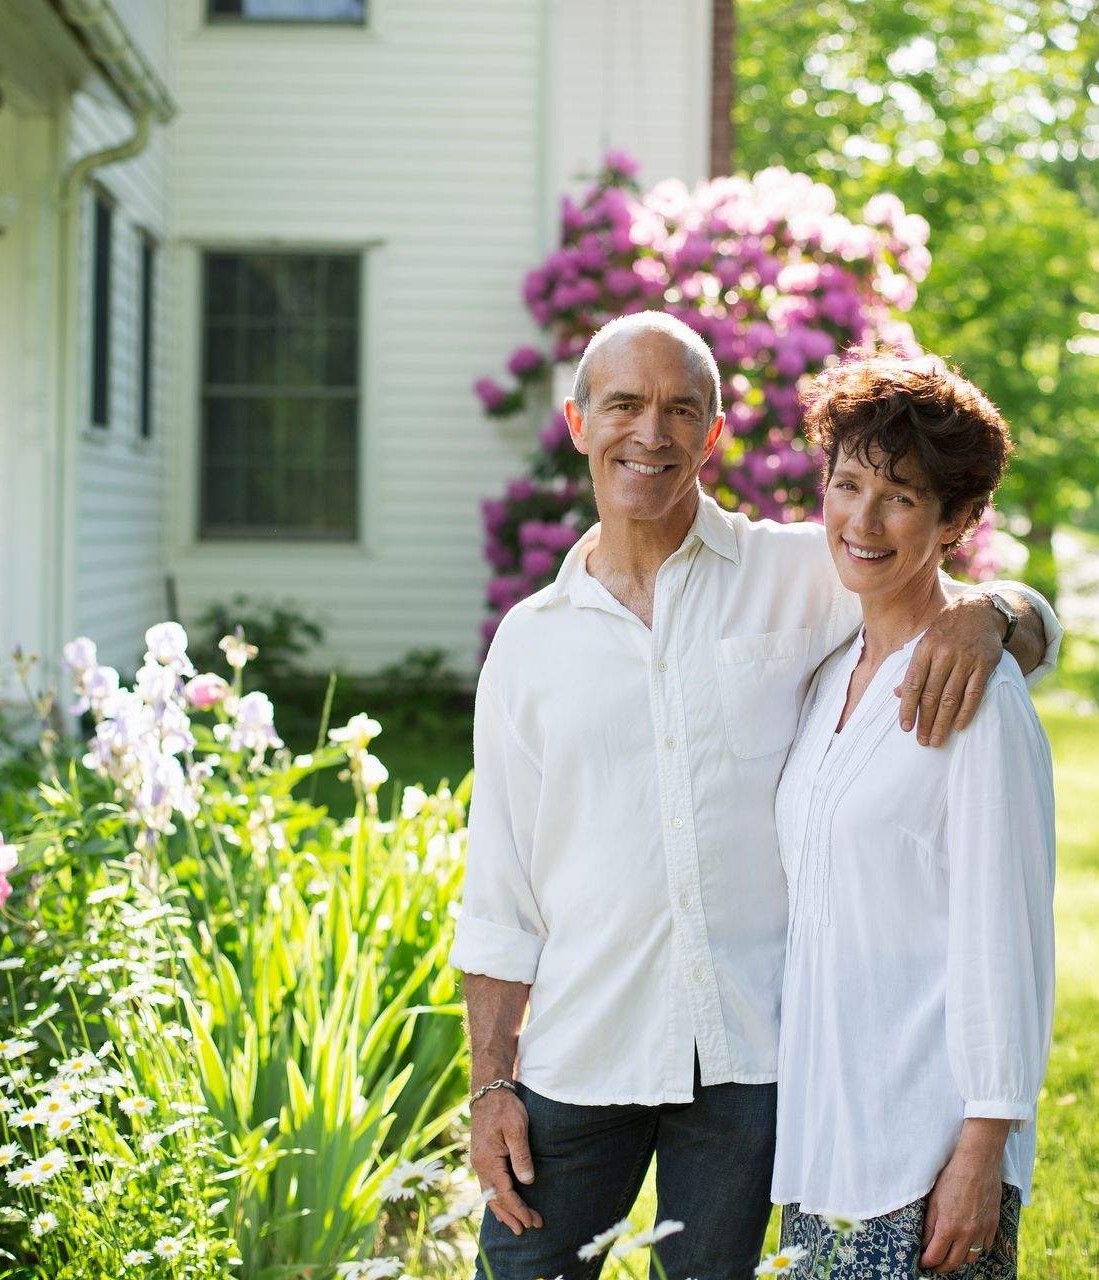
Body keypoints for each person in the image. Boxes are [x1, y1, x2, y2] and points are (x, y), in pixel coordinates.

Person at [449, 312, 1062, 1280]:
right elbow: (498, 896)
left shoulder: (803, 571)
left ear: (714, 434)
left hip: (750, 1065)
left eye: (679, 409)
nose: (649, 433)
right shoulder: (529, 644)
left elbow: (927, 578)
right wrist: (491, 1083)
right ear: (577, 421)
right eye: (623, 405)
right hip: (580, 1050)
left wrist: (998, 613)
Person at [770, 353, 1056, 1279]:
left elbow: (1006, 934)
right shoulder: (826, 676)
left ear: (958, 522)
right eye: (846, 484)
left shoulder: (981, 695)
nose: (861, 518)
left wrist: (982, 1150)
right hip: (822, 1135)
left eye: (898, 497)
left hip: (923, 1148)